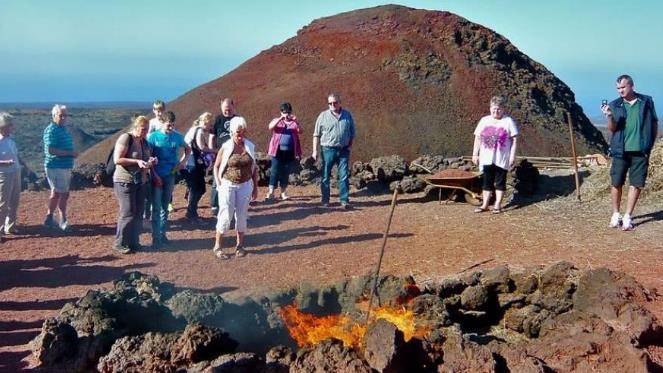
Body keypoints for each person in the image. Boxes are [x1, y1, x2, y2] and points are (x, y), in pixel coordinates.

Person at [601, 74, 658, 231]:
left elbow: (654, 123)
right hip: (620, 151)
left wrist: (650, 145)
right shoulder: (614, 105)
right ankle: (615, 214)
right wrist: (610, 117)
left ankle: (627, 216)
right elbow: (612, 129)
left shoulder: (646, 101)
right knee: (616, 182)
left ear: (631, 86)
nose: (620, 90)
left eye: (623, 87)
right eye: (618, 88)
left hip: (640, 151)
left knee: (636, 183)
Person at [212, 116, 258, 260]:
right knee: (226, 215)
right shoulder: (226, 147)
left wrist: (255, 187)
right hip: (228, 185)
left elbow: (254, 167)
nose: (241, 135)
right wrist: (219, 182)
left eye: (243, 132)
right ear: (232, 132)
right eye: (238, 132)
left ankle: (240, 246)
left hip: (245, 185)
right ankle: (218, 246)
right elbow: (216, 166)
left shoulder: (249, 146)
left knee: (242, 215)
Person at [112, 116, 156, 254]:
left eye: (147, 130)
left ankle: (134, 242)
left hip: (140, 181)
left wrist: (151, 161)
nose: (145, 132)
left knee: (138, 213)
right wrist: (136, 162)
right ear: (136, 127)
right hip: (124, 180)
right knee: (127, 212)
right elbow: (117, 159)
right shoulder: (126, 138)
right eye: (143, 129)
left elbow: (146, 158)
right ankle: (120, 243)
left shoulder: (144, 142)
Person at [147, 111, 191, 248]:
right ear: (162, 123)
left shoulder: (177, 137)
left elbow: (188, 148)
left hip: (170, 174)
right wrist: (154, 174)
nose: (170, 128)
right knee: (156, 206)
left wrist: (182, 162)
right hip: (156, 174)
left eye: (172, 125)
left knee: (165, 207)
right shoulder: (153, 137)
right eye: (168, 125)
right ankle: (155, 237)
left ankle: (162, 234)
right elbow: (148, 157)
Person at [471, 96, 519, 214]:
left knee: (500, 182)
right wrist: (475, 154)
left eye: (498, 109)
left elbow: (514, 140)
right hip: (486, 157)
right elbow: (477, 138)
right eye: (493, 109)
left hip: (501, 158)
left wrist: (512, 156)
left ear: (503, 109)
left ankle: (497, 205)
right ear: (490, 108)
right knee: (486, 182)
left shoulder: (508, 121)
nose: (496, 111)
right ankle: (485, 205)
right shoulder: (484, 120)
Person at [312, 93, 355, 208]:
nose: (332, 105)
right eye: (330, 103)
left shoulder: (347, 115)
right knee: (325, 175)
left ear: (339, 102)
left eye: (335, 102)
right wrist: (315, 151)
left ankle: (344, 200)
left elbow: (352, 133)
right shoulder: (322, 116)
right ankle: (325, 200)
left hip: (343, 150)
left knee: (344, 175)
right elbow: (316, 134)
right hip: (327, 150)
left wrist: (349, 146)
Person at [43, 104, 77, 231]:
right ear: (54, 116)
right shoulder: (51, 130)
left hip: (63, 166)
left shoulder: (62, 129)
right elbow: (51, 150)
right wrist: (70, 153)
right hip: (56, 166)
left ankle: (49, 217)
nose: (63, 118)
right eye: (60, 115)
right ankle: (63, 219)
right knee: (63, 193)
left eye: (65, 115)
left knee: (56, 193)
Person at [265, 102, 302, 201]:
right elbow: (270, 127)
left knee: (285, 172)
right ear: (281, 112)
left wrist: (296, 121)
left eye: (288, 112)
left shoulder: (294, 123)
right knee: (274, 171)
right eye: (284, 112)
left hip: (289, 151)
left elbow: (300, 131)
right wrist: (280, 119)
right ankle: (271, 192)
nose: (286, 114)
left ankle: (283, 192)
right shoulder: (277, 121)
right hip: (277, 151)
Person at [184, 112, 215, 222]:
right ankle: (191, 212)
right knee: (199, 188)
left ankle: (191, 211)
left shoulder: (194, 129)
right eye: (210, 124)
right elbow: (201, 147)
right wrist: (215, 151)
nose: (210, 127)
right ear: (206, 122)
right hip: (193, 163)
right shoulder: (199, 131)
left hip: (189, 162)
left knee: (196, 188)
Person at [209, 98, 236, 214]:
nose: (227, 112)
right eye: (225, 110)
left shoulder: (237, 119)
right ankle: (214, 205)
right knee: (217, 179)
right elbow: (212, 137)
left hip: (234, 154)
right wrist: (211, 151)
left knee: (233, 179)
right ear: (221, 108)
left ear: (233, 107)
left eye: (229, 109)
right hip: (220, 153)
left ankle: (231, 204)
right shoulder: (218, 119)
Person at [0, 112, 22, 241]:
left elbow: (16, 155)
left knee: (14, 201)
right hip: (4, 173)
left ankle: (11, 226)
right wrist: (5, 163)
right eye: (10, 125)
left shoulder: (10, 139)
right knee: (3, 202)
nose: (12, 127)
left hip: (15, 171)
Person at [146, 100, 167, 220]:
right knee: (152, 180)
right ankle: (150, 209)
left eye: (160, 110)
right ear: (154, 110)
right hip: (154, 153)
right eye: (156, 110)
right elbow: (149, 137)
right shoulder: (152, 123)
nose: (159, 113)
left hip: (164, 155)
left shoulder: (166, 121)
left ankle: (166, 204)